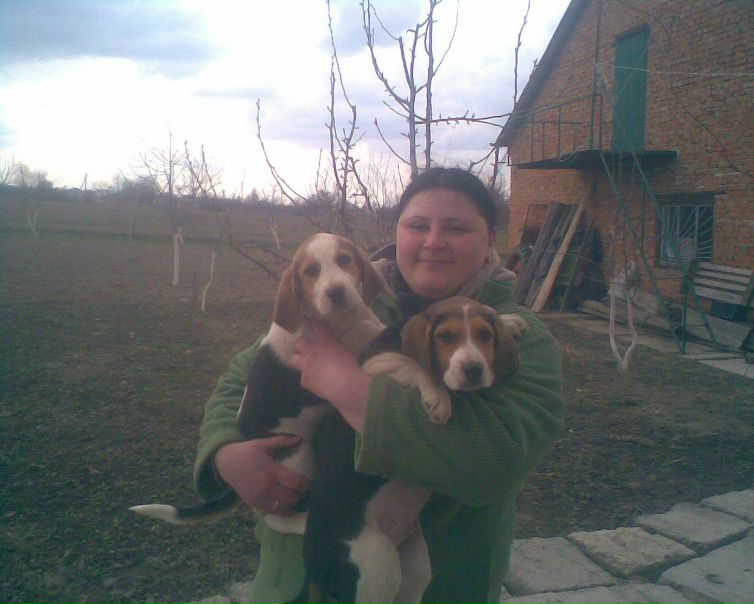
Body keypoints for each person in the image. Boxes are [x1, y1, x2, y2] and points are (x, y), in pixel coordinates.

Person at [193, 167, 565, 604]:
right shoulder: (345, 301)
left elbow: (495, 461)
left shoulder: (519, 336)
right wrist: (225, 452)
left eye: (457, 228)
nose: (433, 242)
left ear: (490, 241)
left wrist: (350, 388)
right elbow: (243, 375)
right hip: (292, 575)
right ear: (397, 232)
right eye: (417, 225)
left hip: (440, 584)